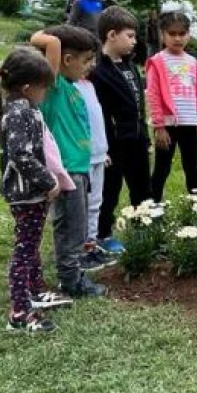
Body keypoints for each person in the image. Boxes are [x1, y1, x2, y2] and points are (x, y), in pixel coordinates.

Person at [0, 49, 73, 333]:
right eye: (43, 88)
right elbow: (21, 155)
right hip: (27, 194)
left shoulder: (24, 109)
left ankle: (35, 292)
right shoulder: (18, 113)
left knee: (31, 243)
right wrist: (48, 182)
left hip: (32, 193)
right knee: (24, 249)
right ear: (27, 88)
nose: (45, 93)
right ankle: (19, 312)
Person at [29, 25, 107, 298]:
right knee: (70, 229)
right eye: (86, 60)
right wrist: (45, 36)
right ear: (66, 60)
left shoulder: (74, 88)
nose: (91, 65)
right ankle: (70, 280)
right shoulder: (54, 86)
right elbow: (49, 43)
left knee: (78, 225)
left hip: (79, 169)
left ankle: (72, 274)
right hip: (66, 172)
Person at [90, 5, 151, 250]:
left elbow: (139, 105)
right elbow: (99, 113)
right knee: (110, 190)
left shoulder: (130, 66)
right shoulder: (97, 71)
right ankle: (103, 233)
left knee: (142, 186)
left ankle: (144, 228)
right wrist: (102, 147)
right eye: (130, 35)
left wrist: (144, 137)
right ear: (111, 35)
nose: (134, 41)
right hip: (114, 143)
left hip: (136, 138)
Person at [147, 11, 197, 201]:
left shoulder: (192, 62)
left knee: (192, 166)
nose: (177, 38)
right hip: (167, 126)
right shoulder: (157, 62)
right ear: (162, 34)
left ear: (188, 34)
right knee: (162, 168)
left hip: (190, 124)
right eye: (172, 34)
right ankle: (153, 206)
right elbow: (154, 95)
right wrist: (159, 126)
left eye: (182, 34)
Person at [74, 62, 118, 271]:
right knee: (80, 207)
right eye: (85, 59)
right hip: (81, 158)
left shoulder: (89, 86)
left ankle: (90, 246)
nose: (91, 64)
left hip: (98, 155)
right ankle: (78, 251)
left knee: (95, 204)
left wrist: (103, 151)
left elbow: (96, 122)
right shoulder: (66, 88)